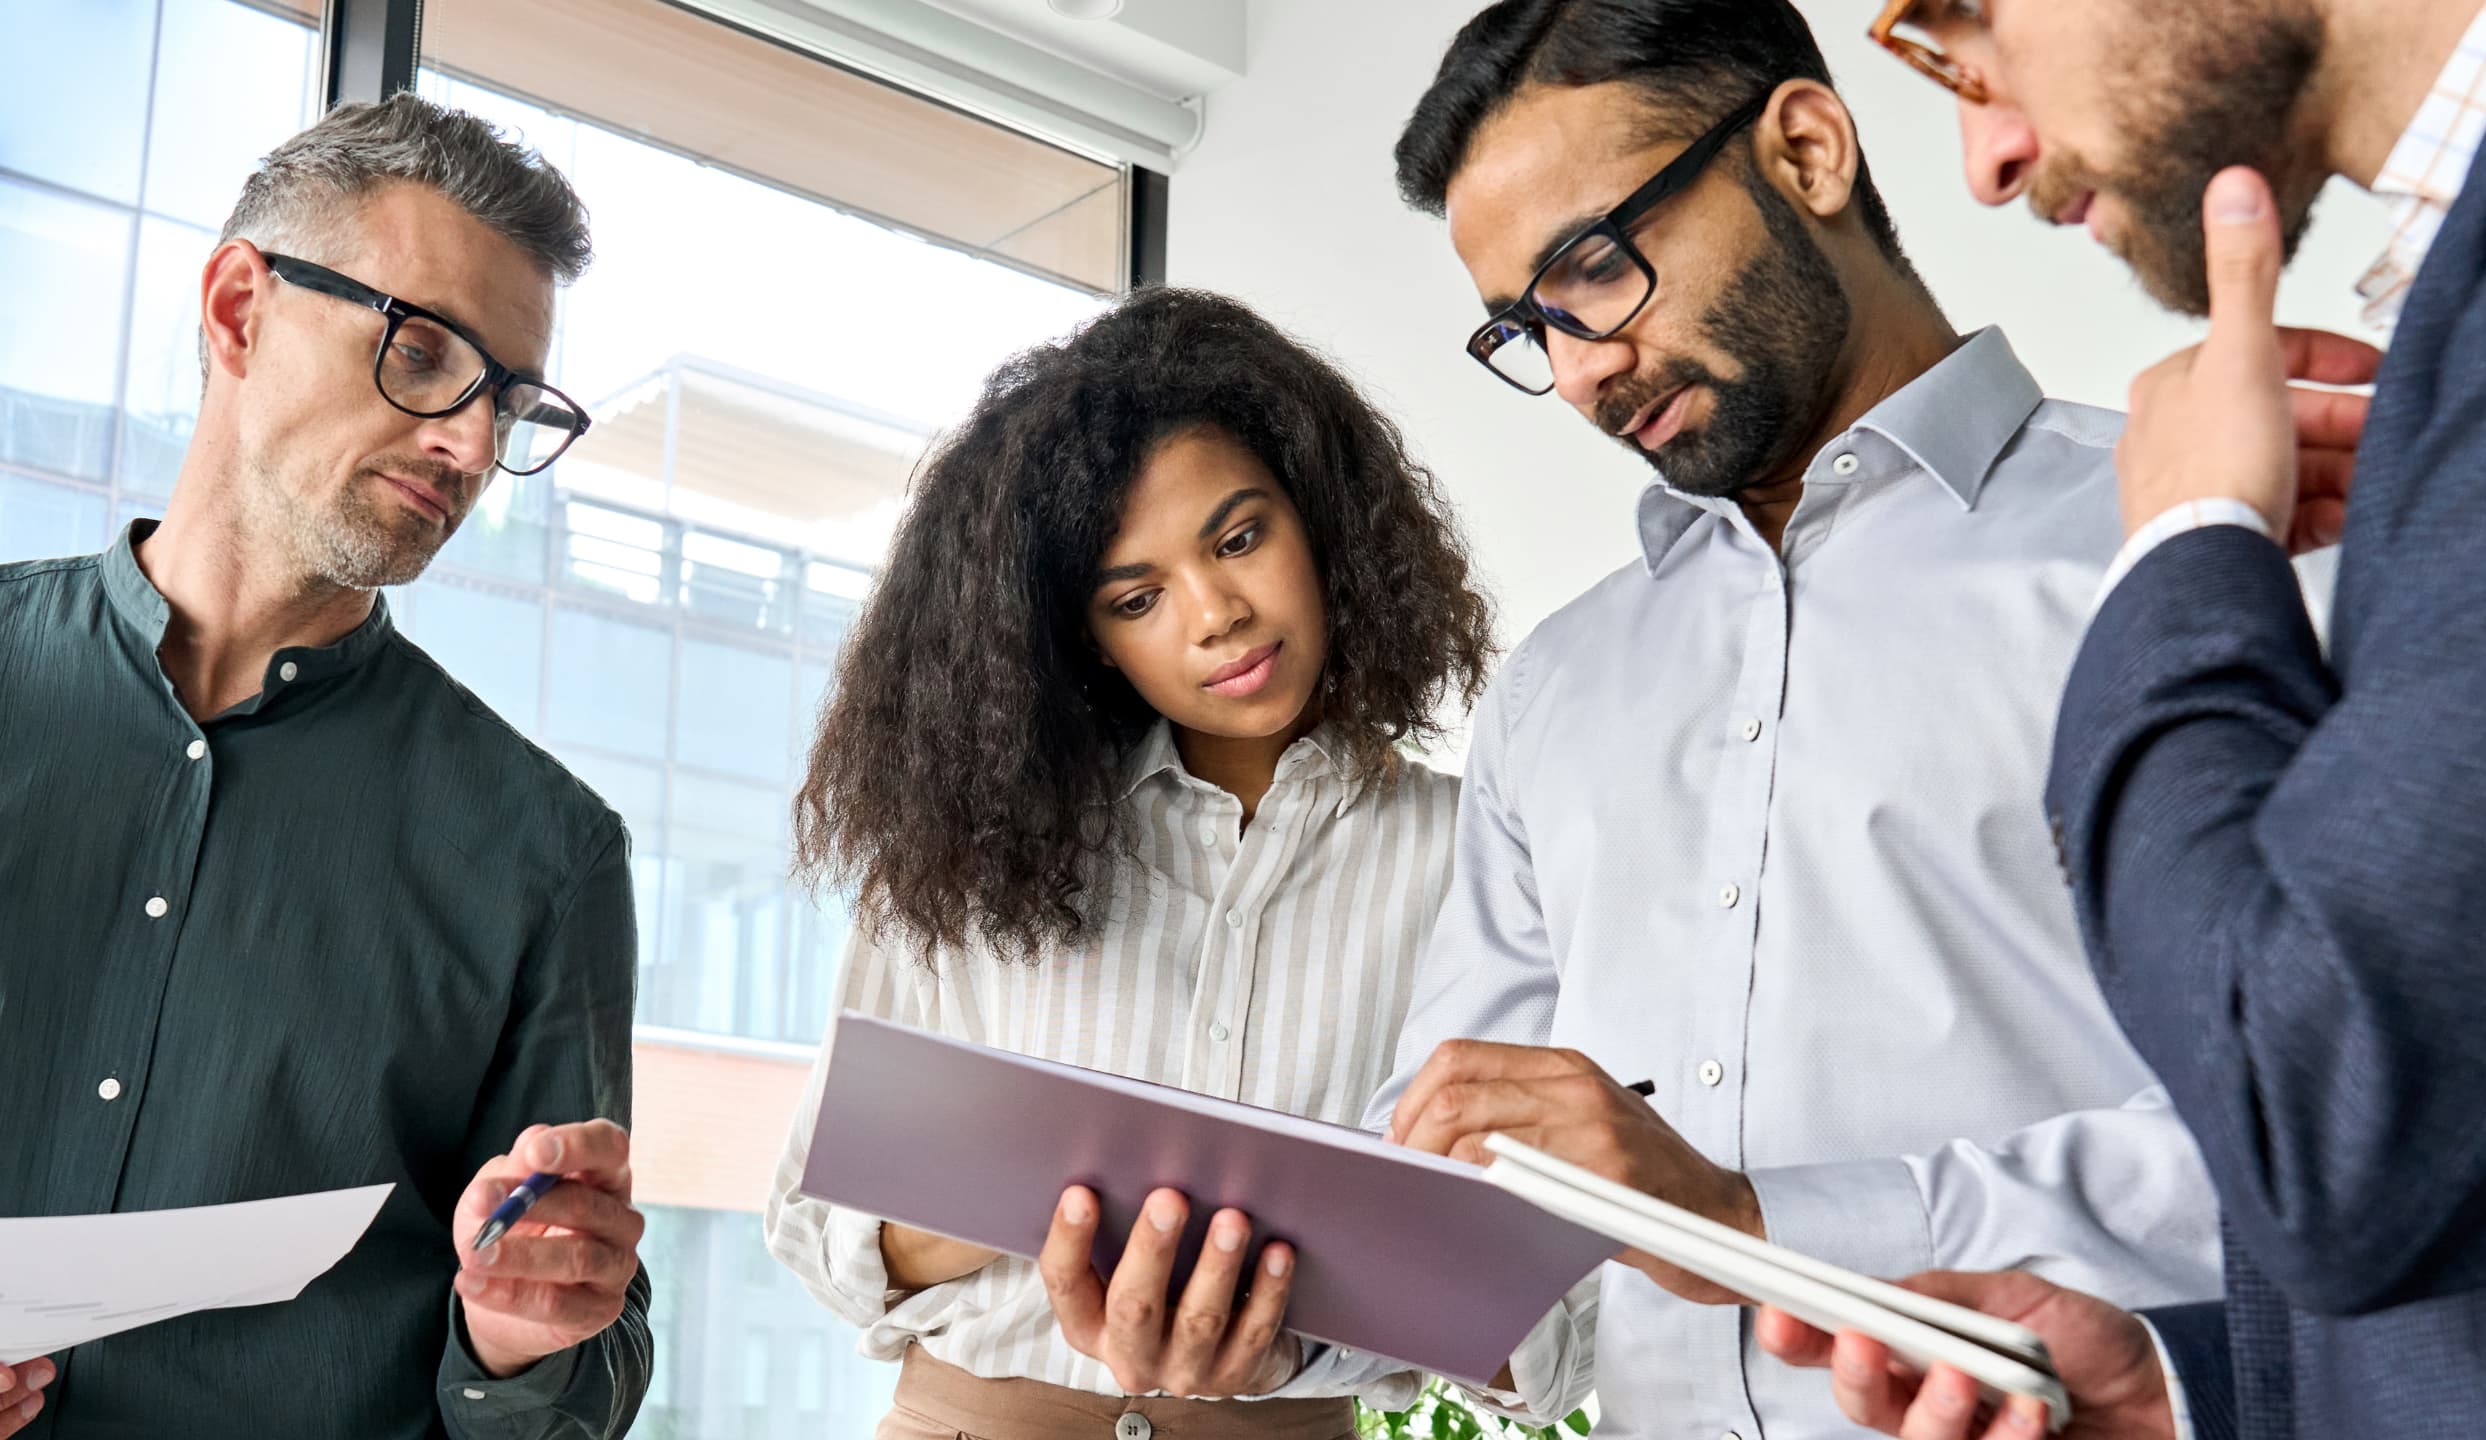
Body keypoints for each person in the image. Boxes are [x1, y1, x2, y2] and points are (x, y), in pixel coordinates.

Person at [1352, 3, 2242, 1436]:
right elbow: (1481, 1202)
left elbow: (2310, 1138)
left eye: (1595, 269)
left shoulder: (2187, 542)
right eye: (1526, 327)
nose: (1577, 370)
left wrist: (1765, 1222)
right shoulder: (1557, 691)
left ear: (1810, 150)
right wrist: (1279, 1301)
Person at [1758, 2, 2486, 1437]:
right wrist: (2189, 1388)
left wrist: (2185, 544)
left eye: (1965, 17)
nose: (1987, 157)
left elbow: (2318, 1115)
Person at [0, 95, 650, 1437]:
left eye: (511, 403)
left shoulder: (545, 852)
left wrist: (519, 1337)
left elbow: (575, 1384)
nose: (471, 446)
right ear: (240, 307)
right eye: (422, 357)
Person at [763, 287, 1497, 1439]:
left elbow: (1505, 1291)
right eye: (1137, 598)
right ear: (1080, 640)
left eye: (1240, 537)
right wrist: (1058, 1202)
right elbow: (818, 1232)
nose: (1215, 615)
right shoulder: (967, 841)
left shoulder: (1476, 852)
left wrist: (1265, 1321)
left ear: (1325, 521)